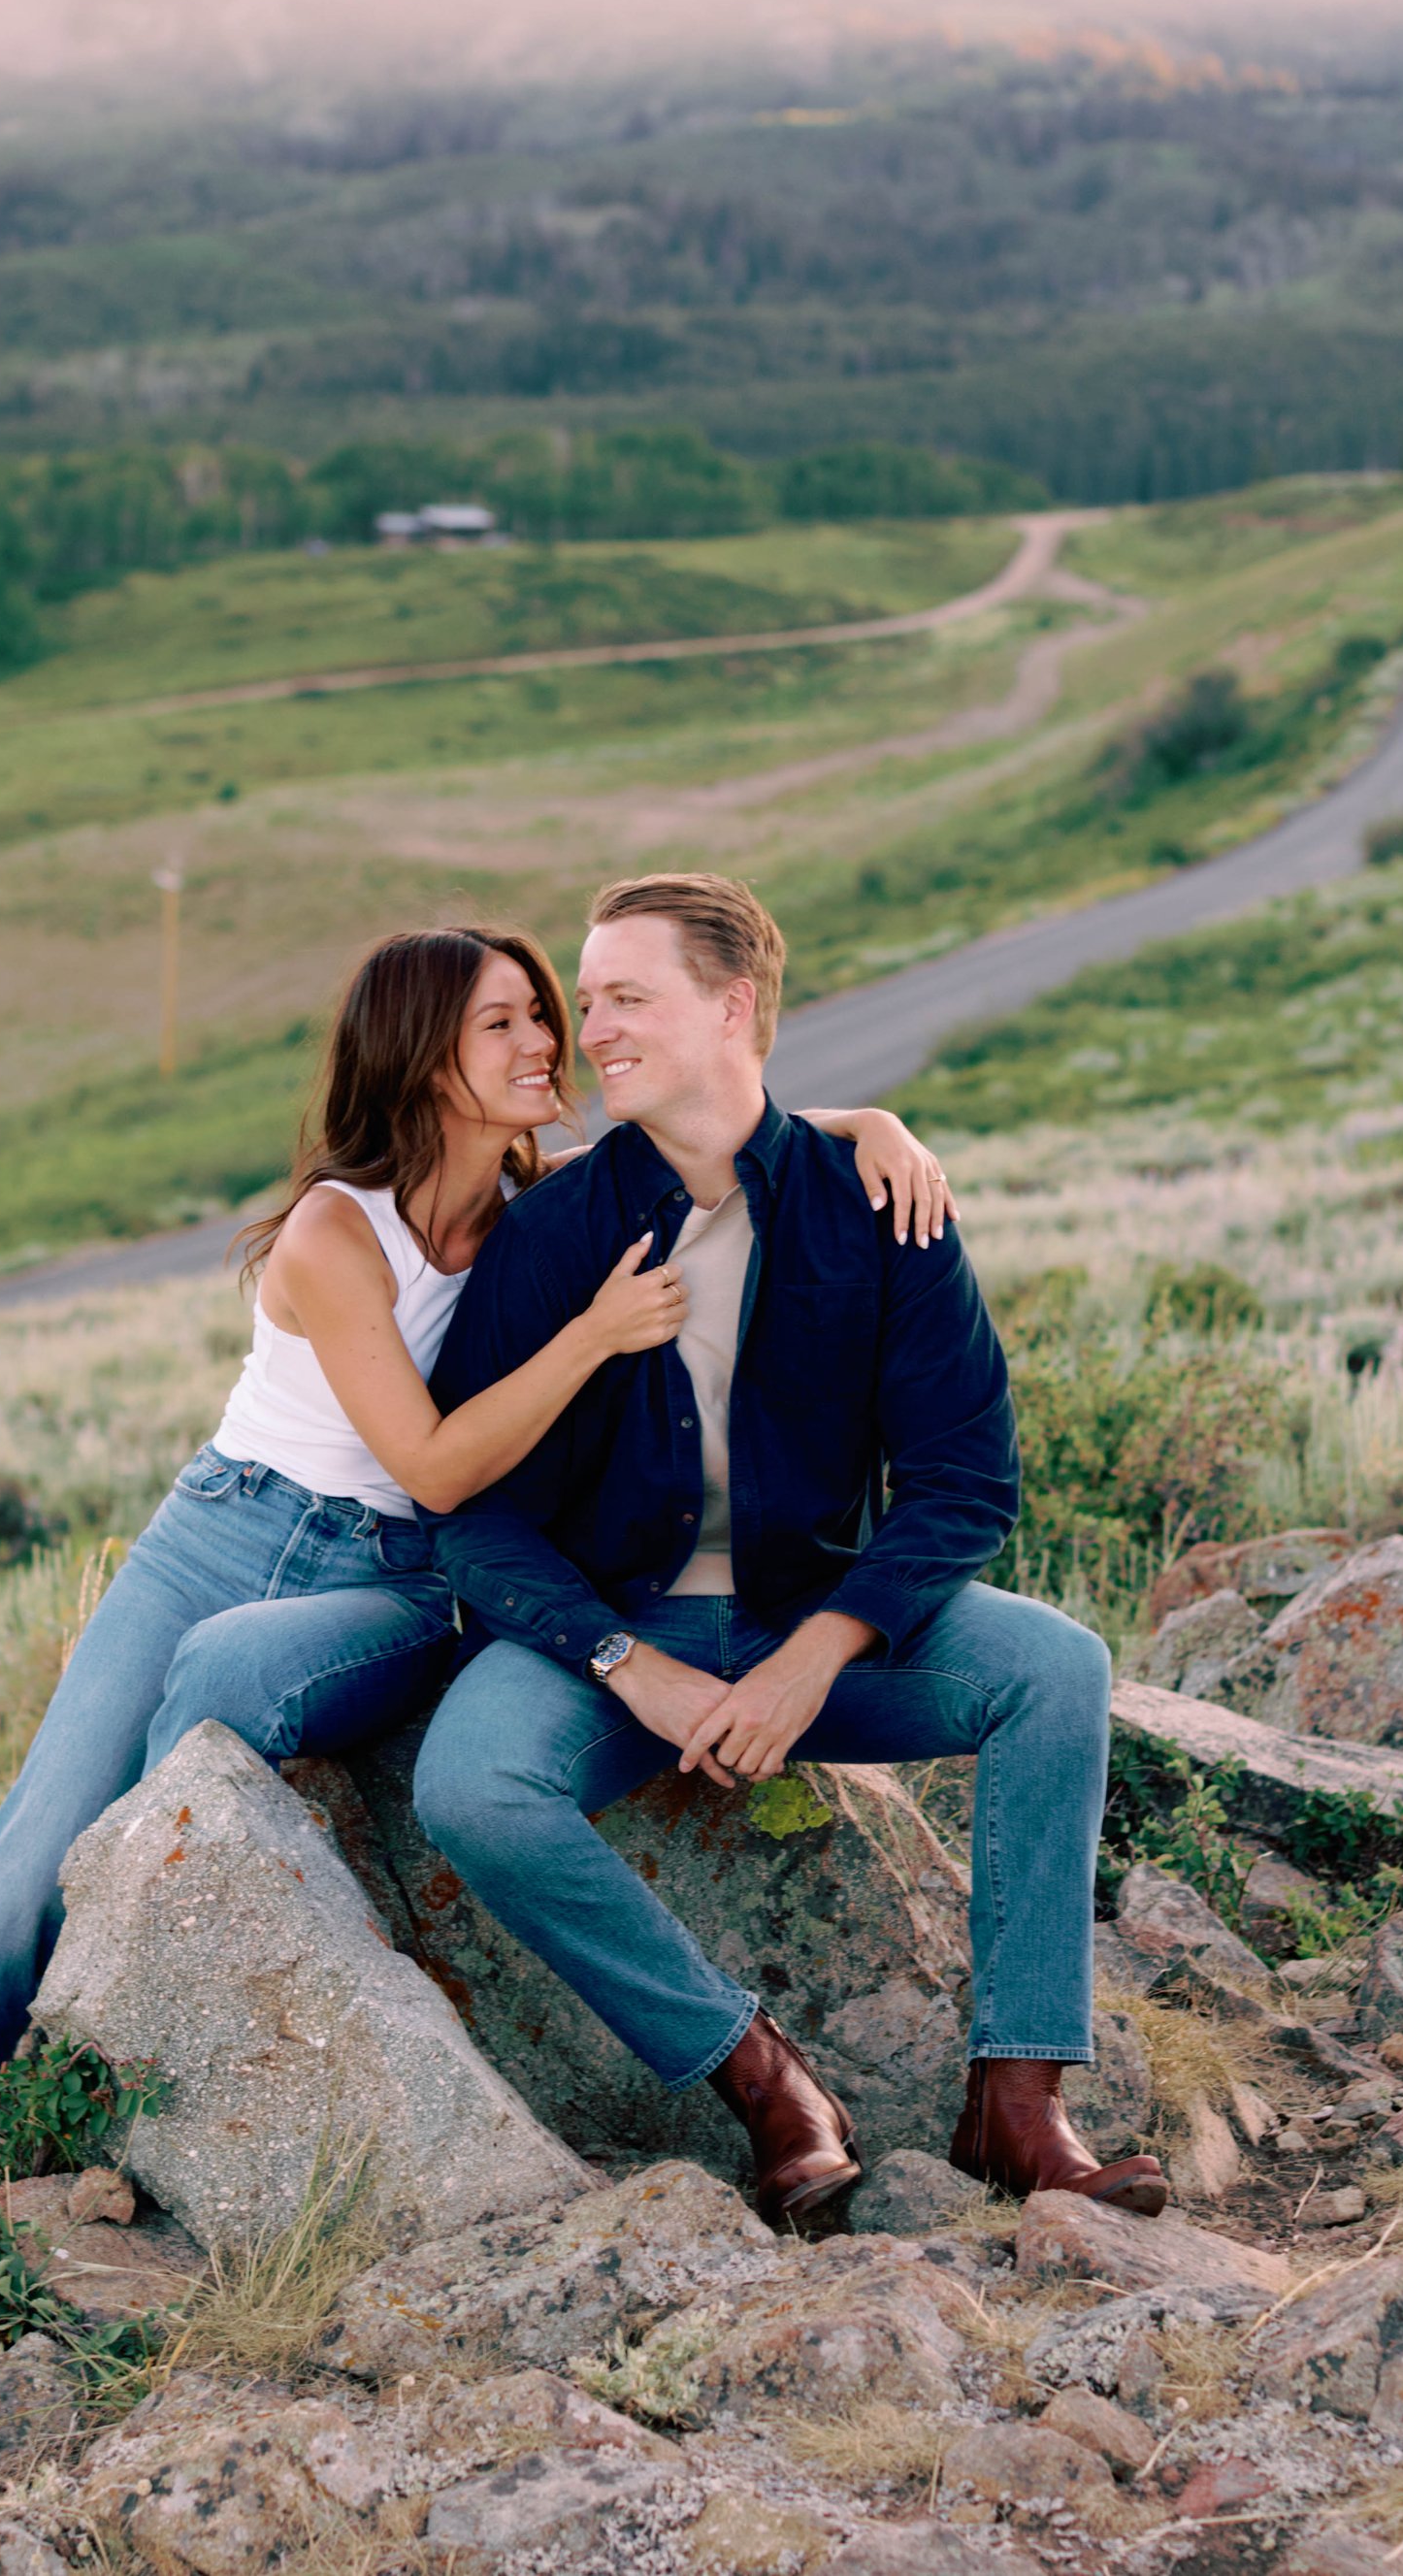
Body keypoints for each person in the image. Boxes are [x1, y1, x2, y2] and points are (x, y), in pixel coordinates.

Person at [0, 918, 952, 2224]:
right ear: (421, 1059)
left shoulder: (533, 1201)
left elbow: (719, 1124)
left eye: (539, 1014)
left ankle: (106, 2063)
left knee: (207, 1712)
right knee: (10, 1880)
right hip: (215, 1534)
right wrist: (596, 1334)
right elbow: (438, 1458)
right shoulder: (334, 1236)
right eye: (499, 1023)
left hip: (395, 1576)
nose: (545, 1041)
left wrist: (871, 1126)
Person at [412, 872, 1166, 2230]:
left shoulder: (877, 1203)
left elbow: (963, 1479)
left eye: (626, 999)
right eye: (588, 1007)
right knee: (472, 1785)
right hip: (610, 1642)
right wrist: (624, 1662)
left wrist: (817, 1660)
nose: (594, 1033)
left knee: (1055, 1669)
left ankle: (1019, 2103)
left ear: (733, 1006)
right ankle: (764, 2084)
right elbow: (473, 1510)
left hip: (810, 1622)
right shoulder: (554, 1234)